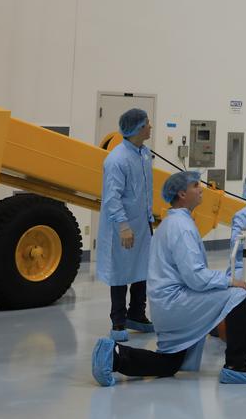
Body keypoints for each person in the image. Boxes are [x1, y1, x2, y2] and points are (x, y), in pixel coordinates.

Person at [91, 171, 246, 386]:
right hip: (175, 303)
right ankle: (237, 366)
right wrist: (229, 281)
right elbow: (195, 277)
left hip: (165, 306)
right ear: (182, 194)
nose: (201, 189)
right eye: (195, 185)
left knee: (169, 363)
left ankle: (113, 356)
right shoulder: (181, 227)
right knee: (239, 294)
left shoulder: (173, 222)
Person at [97, 109, 155, 342]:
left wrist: (149, 218)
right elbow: (113, 197)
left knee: (142, 269)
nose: (150, 127)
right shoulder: (117, 160)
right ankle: (118, 321)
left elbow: (145, 191)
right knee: (120, 273)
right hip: (122, 225)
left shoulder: (144, 154)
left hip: (142, 223)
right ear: (138, 128)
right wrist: (123, 225)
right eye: (147, 123)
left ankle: (137, 314)